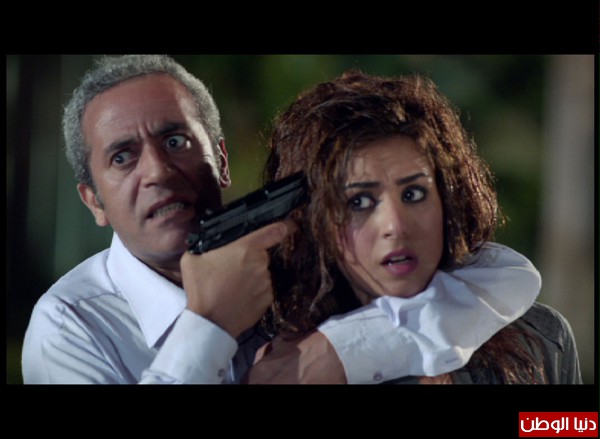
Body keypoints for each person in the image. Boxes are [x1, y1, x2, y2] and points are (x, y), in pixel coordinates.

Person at [22, 55, 541, 384]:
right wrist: (209, 327)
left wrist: (341, 352)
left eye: (176, 140)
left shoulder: (284, 248)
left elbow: (501, 271)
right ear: (92, 201)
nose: (157, 171)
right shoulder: (68, 328)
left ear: (221, 161)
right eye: (122, 157)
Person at [247, 69, 582, 384]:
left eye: (413, 194)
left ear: (448, 200)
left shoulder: (541, 340)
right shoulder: (271, 361)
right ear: (310, 220)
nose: (396, 225)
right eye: (359, 202)